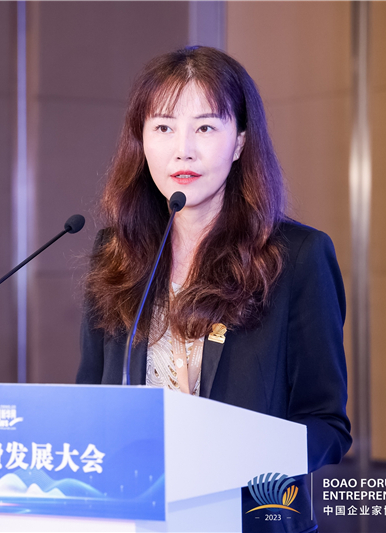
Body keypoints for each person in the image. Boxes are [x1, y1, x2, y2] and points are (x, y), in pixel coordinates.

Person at [76, 46, 351, 532]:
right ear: (141, 141)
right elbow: (90, 402)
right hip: (135, 515)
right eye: (163, 128)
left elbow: (326, 424)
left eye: (205, 128)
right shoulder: (115, 253)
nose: (183, 150)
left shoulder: (296, 257)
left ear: (240, 142)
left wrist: (237, 458)